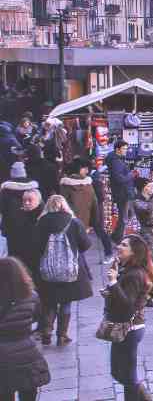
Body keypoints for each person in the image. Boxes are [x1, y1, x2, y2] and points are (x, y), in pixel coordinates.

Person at [33, 195, 91, 346]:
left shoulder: (41, 223)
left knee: (50, 302)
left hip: (48, 270)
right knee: (66, 303)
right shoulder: (74, 222)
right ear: (65, 206)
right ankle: (62, 335)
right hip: (69, 270)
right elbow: (86, 245)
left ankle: (46, 332)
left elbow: (36, 246)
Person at [102, 236, 153, 401]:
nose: (119, 247)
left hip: (129, 329)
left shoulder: (134, 275)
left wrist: (113, 283)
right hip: (125, 328)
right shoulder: (127, 270)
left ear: (134, 252)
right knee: (120, 372)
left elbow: (127, 306)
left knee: (127, 375)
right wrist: (110, 292)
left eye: (124, 245)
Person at [0, 257, 50, 401]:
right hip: (27, 353)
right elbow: (37, 317)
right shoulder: (31, 296)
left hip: (2, 357)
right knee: (28, 393)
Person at [130, 178, 153, 306]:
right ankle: (147, 295)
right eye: (150, 186)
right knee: (150, 266)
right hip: (148, 234)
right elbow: (148, 209)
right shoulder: (137, 201)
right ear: (144, 187)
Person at [59, 158, 101, 257]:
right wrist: (93, 223)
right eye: (85, 168)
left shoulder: (65, 186)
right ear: (79, 169)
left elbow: (61, 206)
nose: (87, 171)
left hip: (67, 224)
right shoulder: (88, 185)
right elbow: (95, 205)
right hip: (84, 225)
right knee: (79, 253)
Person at [106, 141, 136, 249]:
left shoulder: (117, 159)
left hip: (123, 191)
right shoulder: (116, 162)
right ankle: (120, 240)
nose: (126, 151)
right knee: (124, 216)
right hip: (123, 192)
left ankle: (116, 236)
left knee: (127, 214)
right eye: (124, 149)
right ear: (117, 149)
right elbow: (119, 178)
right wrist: (131, 175)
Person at [0, 162, 38, 244]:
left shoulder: (5, 191)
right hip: (30, 226)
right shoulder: (33, 189)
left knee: (12, 251)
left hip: (10, 228)